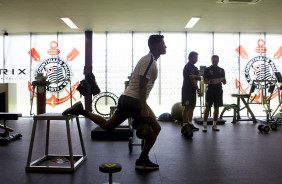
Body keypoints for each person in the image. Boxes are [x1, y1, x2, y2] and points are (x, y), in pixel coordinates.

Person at [62, 34, 166, 170]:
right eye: (163, 43)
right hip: (134, 101)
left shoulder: (150, 60)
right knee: (156, 128)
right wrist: (143, 108)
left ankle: (81, 110)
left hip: (126, 99)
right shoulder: (149, 60)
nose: (165, 46)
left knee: (108, 126)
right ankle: (142, 159)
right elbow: (142, 83)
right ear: (156, 45)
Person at [202, 55, 226, 132]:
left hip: (218, 91)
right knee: (207, 107)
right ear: (211, 60)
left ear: (218, 61)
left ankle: (214, 125)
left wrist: (224, 81)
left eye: (216, 61)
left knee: (216, 108)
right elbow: (204, 81)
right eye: (213, 61)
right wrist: (209, 82)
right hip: (210, 91)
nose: (215, 62)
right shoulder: (207, 69)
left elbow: (224, 81)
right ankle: (204, 125)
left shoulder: (222, 70)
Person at [181, 51, 201, 131]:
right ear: (191, 57)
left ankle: (190, 123)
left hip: (192, 90)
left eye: (197, 57)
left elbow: (199, 77)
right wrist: (198, 89)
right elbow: (192, 79)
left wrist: (197, 76)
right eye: (195, 57)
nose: (197, 59)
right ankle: (185, 124)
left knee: (192, 107)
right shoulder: (188, 67)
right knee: (187, 107)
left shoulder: (194, 68)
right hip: (187, 90)